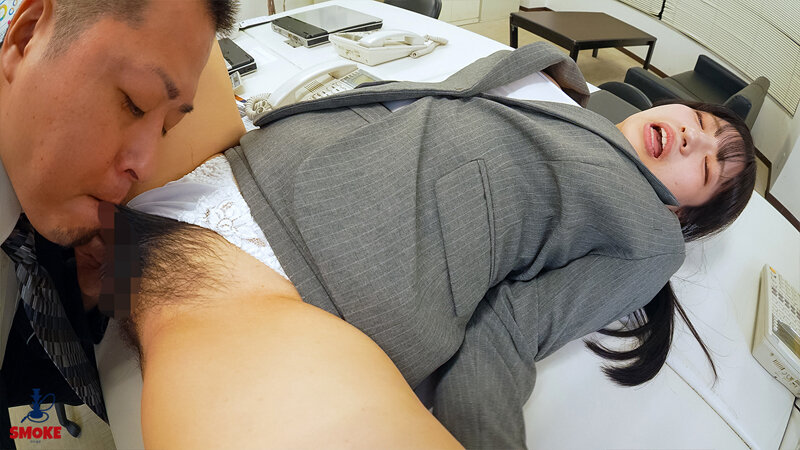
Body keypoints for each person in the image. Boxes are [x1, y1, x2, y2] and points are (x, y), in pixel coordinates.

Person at [111, 42, 756, 448]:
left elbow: (507, 329)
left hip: (294, 268)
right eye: (700, 123)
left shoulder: (649, 238)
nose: (691, 139)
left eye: (705, 167)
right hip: (242, 159)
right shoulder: (565, 92)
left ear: (679, 211)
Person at [0, 0, 237, 438]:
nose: (145, 166)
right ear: (27, 35)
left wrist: (87, 297)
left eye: (165, 128)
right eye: (134, 103)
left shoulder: (47, 185)